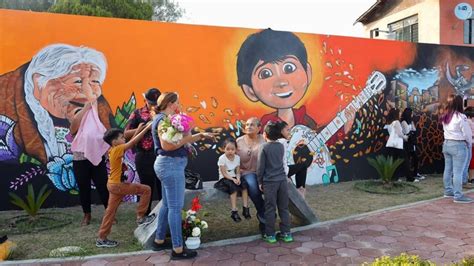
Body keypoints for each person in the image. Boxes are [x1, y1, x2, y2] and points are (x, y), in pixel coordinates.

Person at [0, 44, 115, 166]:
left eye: (95, 82)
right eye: (78, 81)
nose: (88, 93)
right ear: (39, 82)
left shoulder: (99, 107)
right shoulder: (6, 98)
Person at [151, 92, 216, 260]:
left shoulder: (163, 119)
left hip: (169, 165)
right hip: (170, 166)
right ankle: (178, 249)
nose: (179, 105)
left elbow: (175, 142)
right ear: (171, 103)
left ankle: (159, 240)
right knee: (175, 207)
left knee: (167, 204)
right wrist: (186, 137)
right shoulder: (163, 121)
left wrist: (199, 135)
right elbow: (167, 146)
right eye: (178, 102)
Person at [96, 124, 155, 248]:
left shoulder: (113, 149)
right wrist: (146, 129)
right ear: (114, 141)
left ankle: (102, 238)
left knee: (110, 212)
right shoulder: (117, 149)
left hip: (113, 185)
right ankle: (140, 217)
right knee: (146, 190)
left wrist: (138, 129)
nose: (124, 139)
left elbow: (130, 143)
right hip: (118, 185)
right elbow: (133, 142)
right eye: (122, 137)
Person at [125, 88, 162, 215]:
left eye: (156, 103)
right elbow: (126, 134)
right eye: (151, 103)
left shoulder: (165, 113)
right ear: (145, 100)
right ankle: (144, 215)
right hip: (145, 155)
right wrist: (144, 128)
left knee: (164, 187)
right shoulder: (137, 113)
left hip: (163, 155)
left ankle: (165, 216)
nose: (154, 106)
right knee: (147, 187)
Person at [257, 121, 293, 244]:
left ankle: (270, 235)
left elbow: (260, 167)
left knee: (270, 208)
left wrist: (259, 181)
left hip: (269, 182)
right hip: (282, 180)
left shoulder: (263, 147)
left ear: (265, 135)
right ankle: (286, 234)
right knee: (284, 207)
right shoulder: (281, 146)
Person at [236, 117, 266, 235]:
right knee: (253, 186)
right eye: (247, 124)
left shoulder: (264, 140)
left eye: (252, 125)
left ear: (259, 128)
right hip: (246, 173)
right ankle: (264, 216)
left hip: (263, 172)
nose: (248, 127)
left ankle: (269, 214)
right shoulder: (238, 141)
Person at [441, 95, 473, 203]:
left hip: (447, 144)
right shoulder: (461, 116)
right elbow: (467, 133)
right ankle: (458, 195)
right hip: (458, 145)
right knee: (458, 172)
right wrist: (469, 143)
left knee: (448, 169)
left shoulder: (446, 116)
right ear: (460, 104)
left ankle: (448, 191)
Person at [214, 138, 250, 222]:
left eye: (232, 149)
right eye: (228, 149)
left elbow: (237, 171)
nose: (230, 151)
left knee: (244, 186)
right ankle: (234, 211)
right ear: (223, 149)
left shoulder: (237, 158)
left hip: (234, 177)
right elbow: (224, 174)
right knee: (233, 188)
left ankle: (246, 208)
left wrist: (238, 178)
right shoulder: (222, 158)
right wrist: (233, 180)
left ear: (236, 150)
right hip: (224, 178)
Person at [276, 120, 309, 198]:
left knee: (300, 167)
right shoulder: (283, 142)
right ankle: (300, 190)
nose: (289, 132)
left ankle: (300, 189)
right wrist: (286, 176)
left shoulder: (274, 141)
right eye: (287, 130)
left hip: (275, 171)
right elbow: (282, 162)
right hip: (281, 172)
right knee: (303, 166)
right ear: (281, 131)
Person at [385, 108, 412, 182]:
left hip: (391, 145)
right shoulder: (396, 122)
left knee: (394, 163)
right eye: (399, 113)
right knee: (405, 162)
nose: (401, 114)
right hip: (397, 145)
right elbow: (400, 134)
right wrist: (406, 138)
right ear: (396, 114)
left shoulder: (389, 123)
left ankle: (394, 178)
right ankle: (410, 178)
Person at [400, 108, 425, 182]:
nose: (412, 115)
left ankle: (415, 173)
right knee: (408, 159)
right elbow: (407, 132)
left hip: (412, 142)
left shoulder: (410, 121)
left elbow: (414, 130)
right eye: (411, 113)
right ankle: (409, 175)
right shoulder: (403, 122)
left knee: (415, 158)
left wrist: (411, 132)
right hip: (407, 143)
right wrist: (411, 132)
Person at [463, 106, 474, 189]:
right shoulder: (469, 122)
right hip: (470, 143)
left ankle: (469, 179)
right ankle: (469, 179)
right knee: (469, 162)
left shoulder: (466, 121)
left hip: (468, 143)